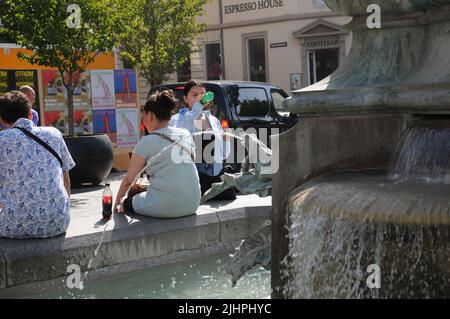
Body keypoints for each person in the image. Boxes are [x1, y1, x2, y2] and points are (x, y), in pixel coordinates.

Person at [0, 91, 75, 239]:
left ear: (1, 120)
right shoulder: (54, 134)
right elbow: (65, 176)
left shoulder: (2, 140)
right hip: (59, 222)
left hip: (14, 226)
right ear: (30, 114)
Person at [114, 90, 200, 218]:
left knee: (126, 202)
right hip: (192, 204)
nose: (142, 120)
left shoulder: (146, 142)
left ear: (150, 116)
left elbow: (128, 180)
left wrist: (117, 204)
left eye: (143, 116)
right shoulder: (185, 134)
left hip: (165, 206)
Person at [170, 80, 236, 200]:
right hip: (191, 179)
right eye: (195, 95)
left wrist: (226, 140)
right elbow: (179, 144)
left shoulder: (214, 120)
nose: (200, 98)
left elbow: (223, 155)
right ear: (185, 98)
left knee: (229, 195)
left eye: (202, 95)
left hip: (214, 179)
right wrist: (198, 106)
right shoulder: (179, 119)